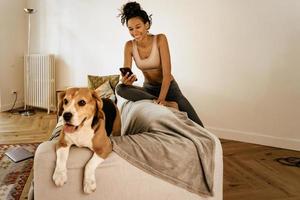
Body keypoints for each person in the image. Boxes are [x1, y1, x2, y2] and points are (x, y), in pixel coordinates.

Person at [116, 1, 204, 127]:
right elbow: (126, 72)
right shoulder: (129, 46)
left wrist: (162, 99)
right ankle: (161, 102)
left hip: (169, 89)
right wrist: (125, 80)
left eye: (138, 27)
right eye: (131, 29)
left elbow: (167, 74)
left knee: (199, 126)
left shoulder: (160, 39)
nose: (135, 32)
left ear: (147, 25)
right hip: (148, 90)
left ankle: (169, 102)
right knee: (120, 88)